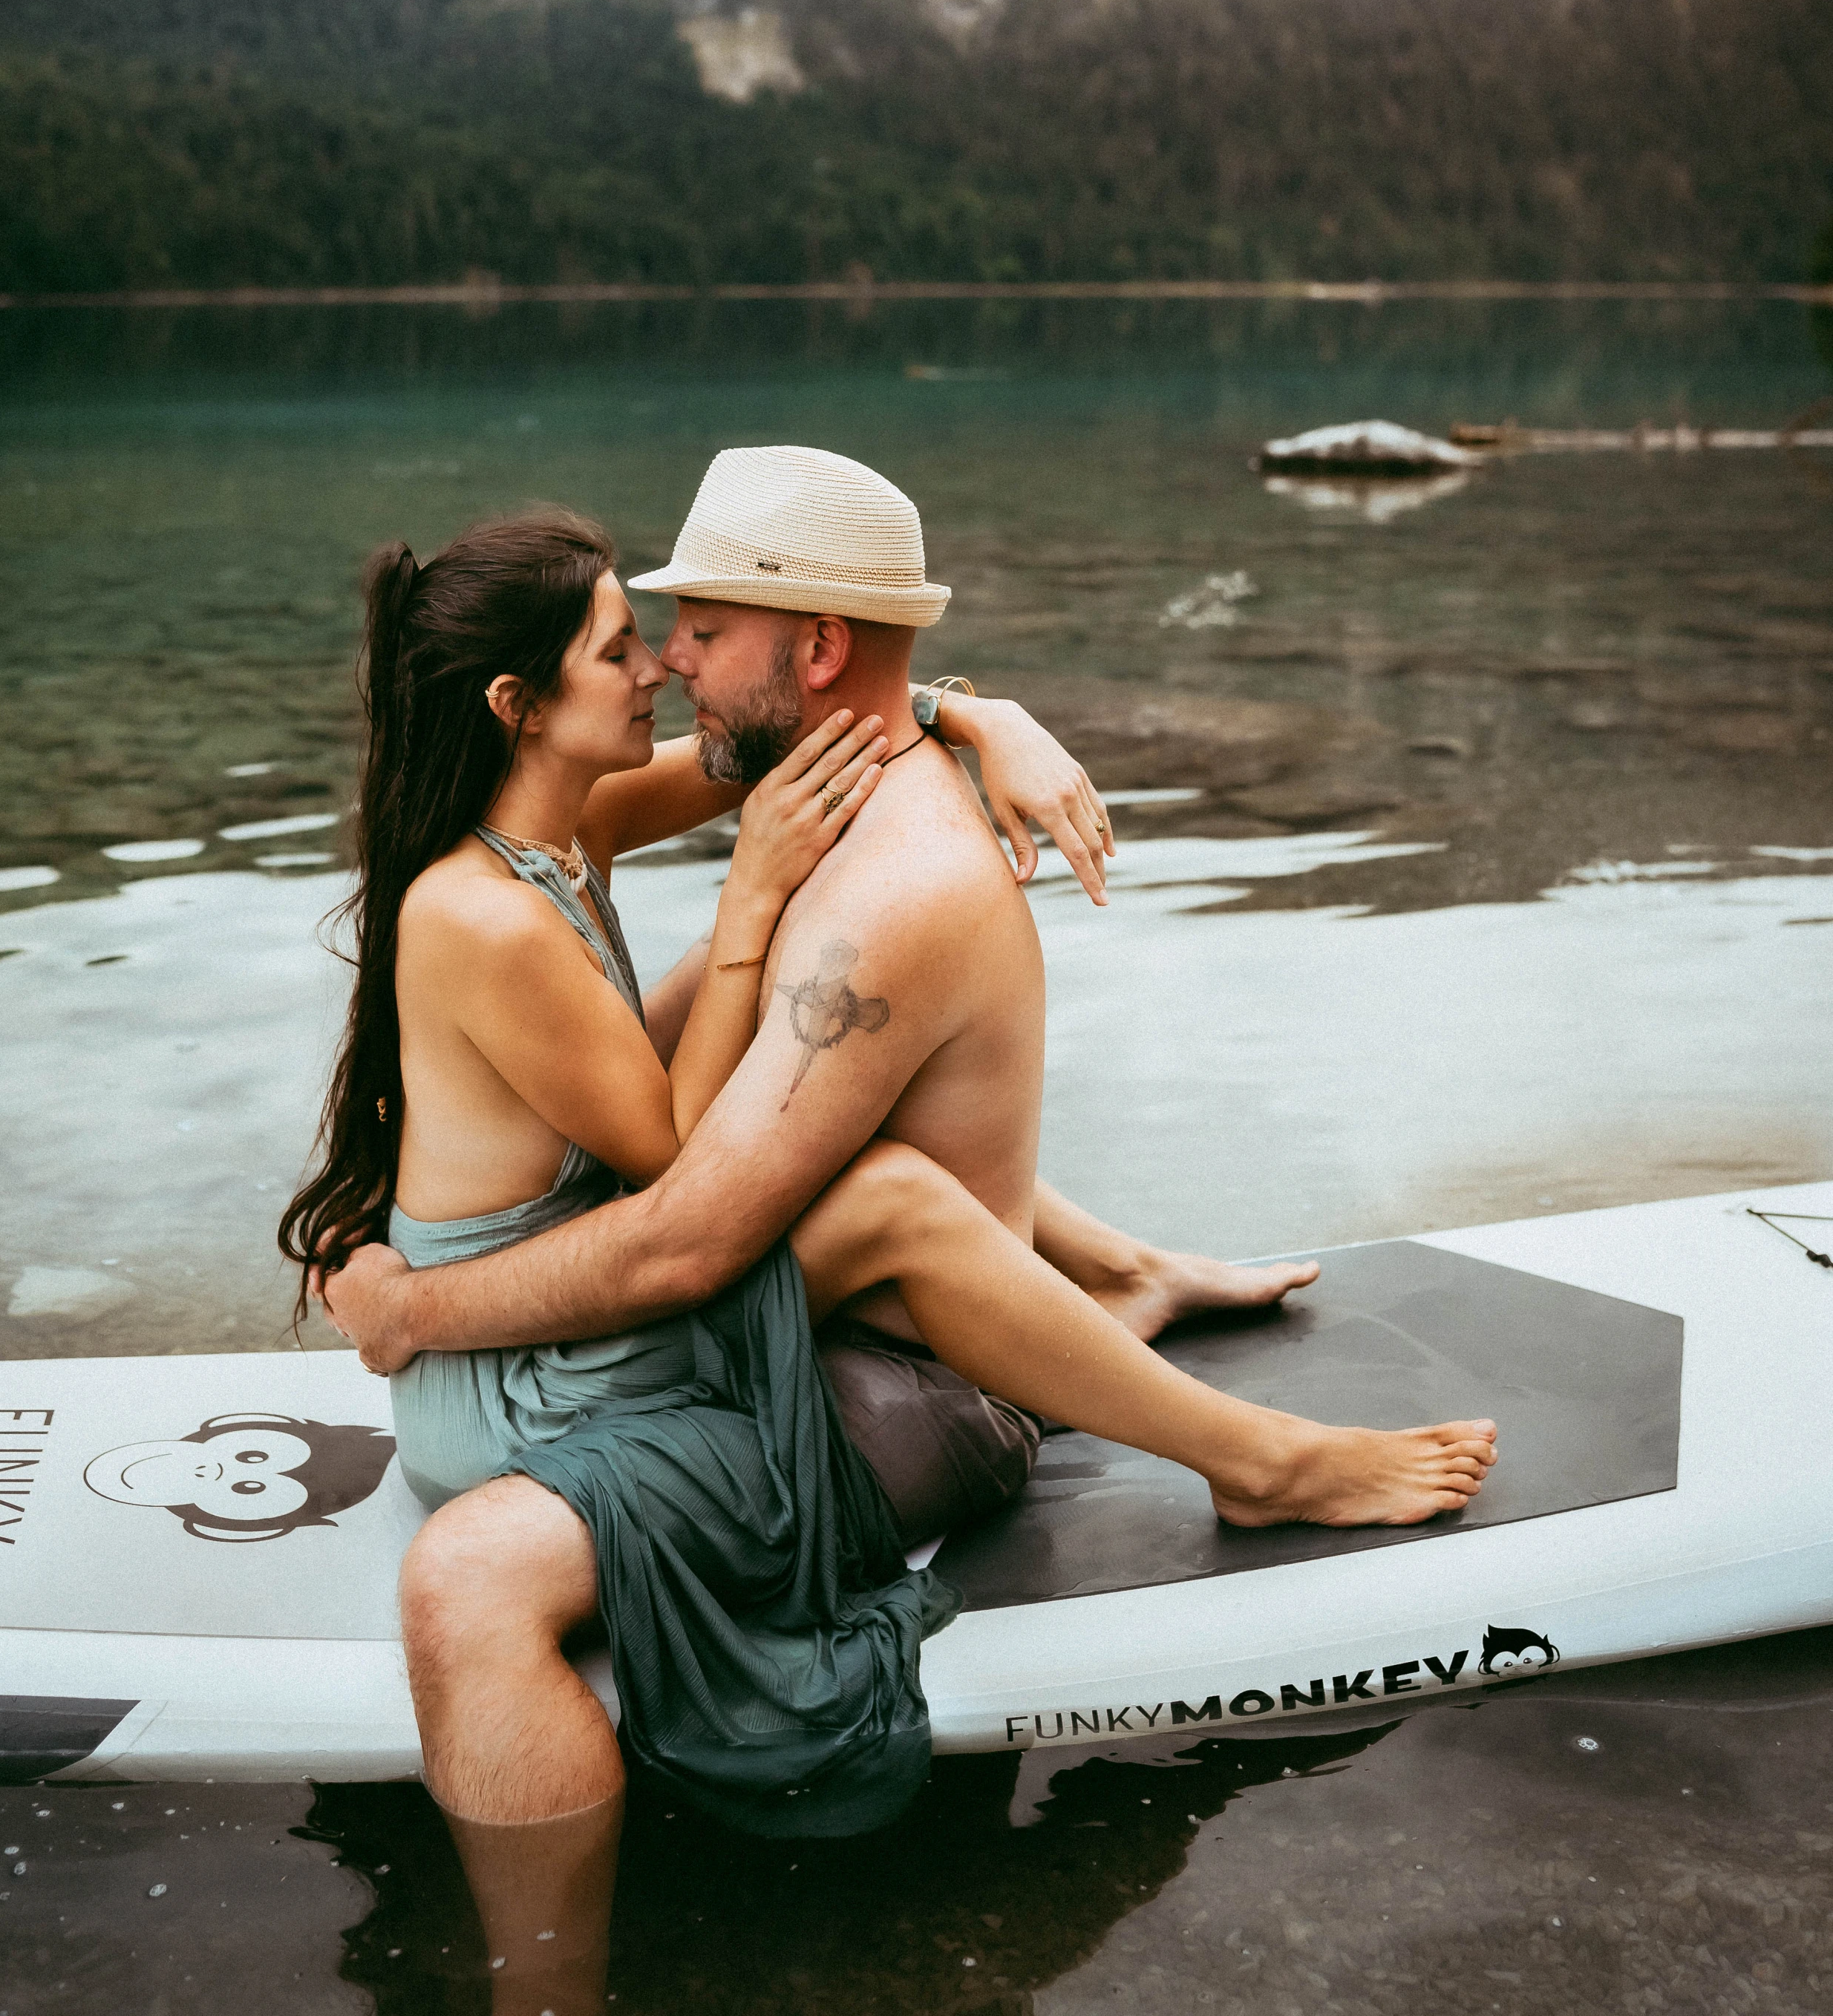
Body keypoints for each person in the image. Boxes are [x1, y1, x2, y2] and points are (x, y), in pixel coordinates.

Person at [311, 454, 1496, 2008]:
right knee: (860, 1183)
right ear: (519, 706)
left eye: (694, 627)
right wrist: (406, 1307)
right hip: (533, 1353)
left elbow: (698, 1170)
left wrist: (975, 711)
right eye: (632, 641)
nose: (667, 659)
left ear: (807, 650)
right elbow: (679, 1196)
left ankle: (1183, 1364)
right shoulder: (521, 877)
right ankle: (1234, 1431)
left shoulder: (623, 829)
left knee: (856, 1168)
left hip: (619, 1316)